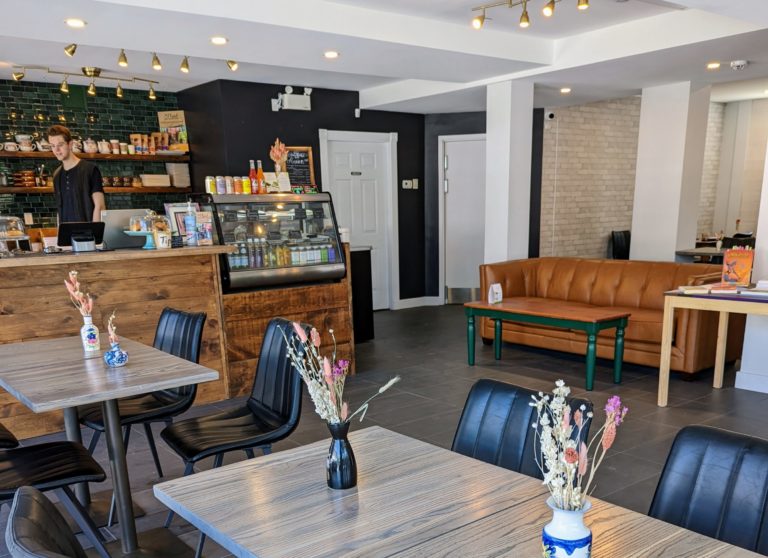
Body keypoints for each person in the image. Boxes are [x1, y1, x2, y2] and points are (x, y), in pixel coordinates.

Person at [47, 125, 106, 223]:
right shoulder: (56, 175)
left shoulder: (90, 170)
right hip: (67, 235)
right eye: (52, 146)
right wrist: (60, 234)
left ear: (70, 144)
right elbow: (60, 210)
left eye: (60, 145)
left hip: (89, 235)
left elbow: (99, 206)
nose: (56, 150)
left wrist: (96, 235)